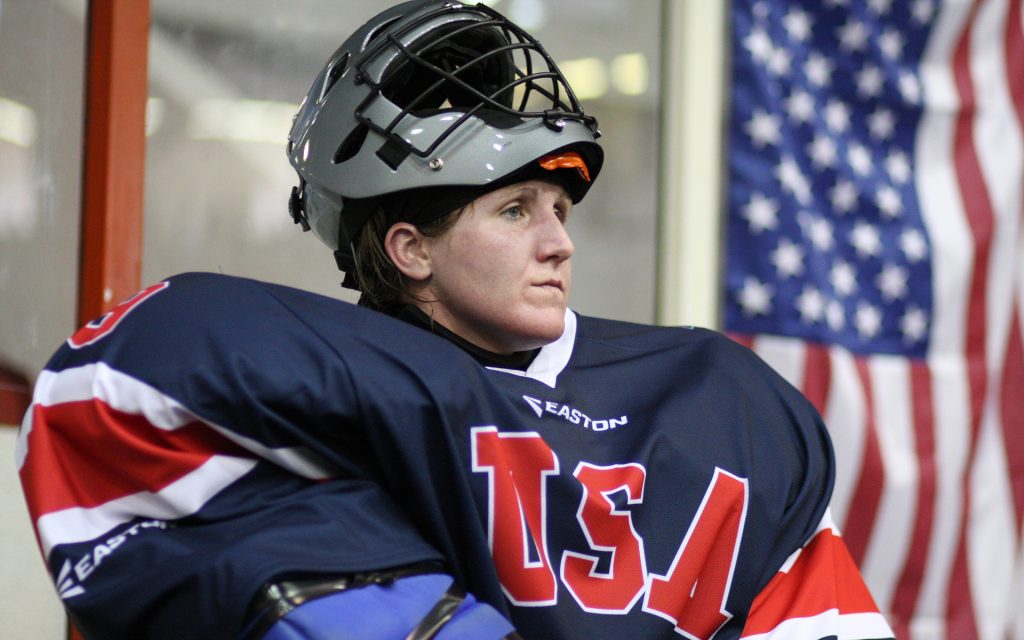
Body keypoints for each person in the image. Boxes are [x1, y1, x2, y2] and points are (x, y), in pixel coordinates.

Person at [16, 1, 895, 638]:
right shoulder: (308, 390)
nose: (558, 243)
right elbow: (102, 395)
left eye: (561, 208)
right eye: (515, 210)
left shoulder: (718, 400)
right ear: (410, 248)